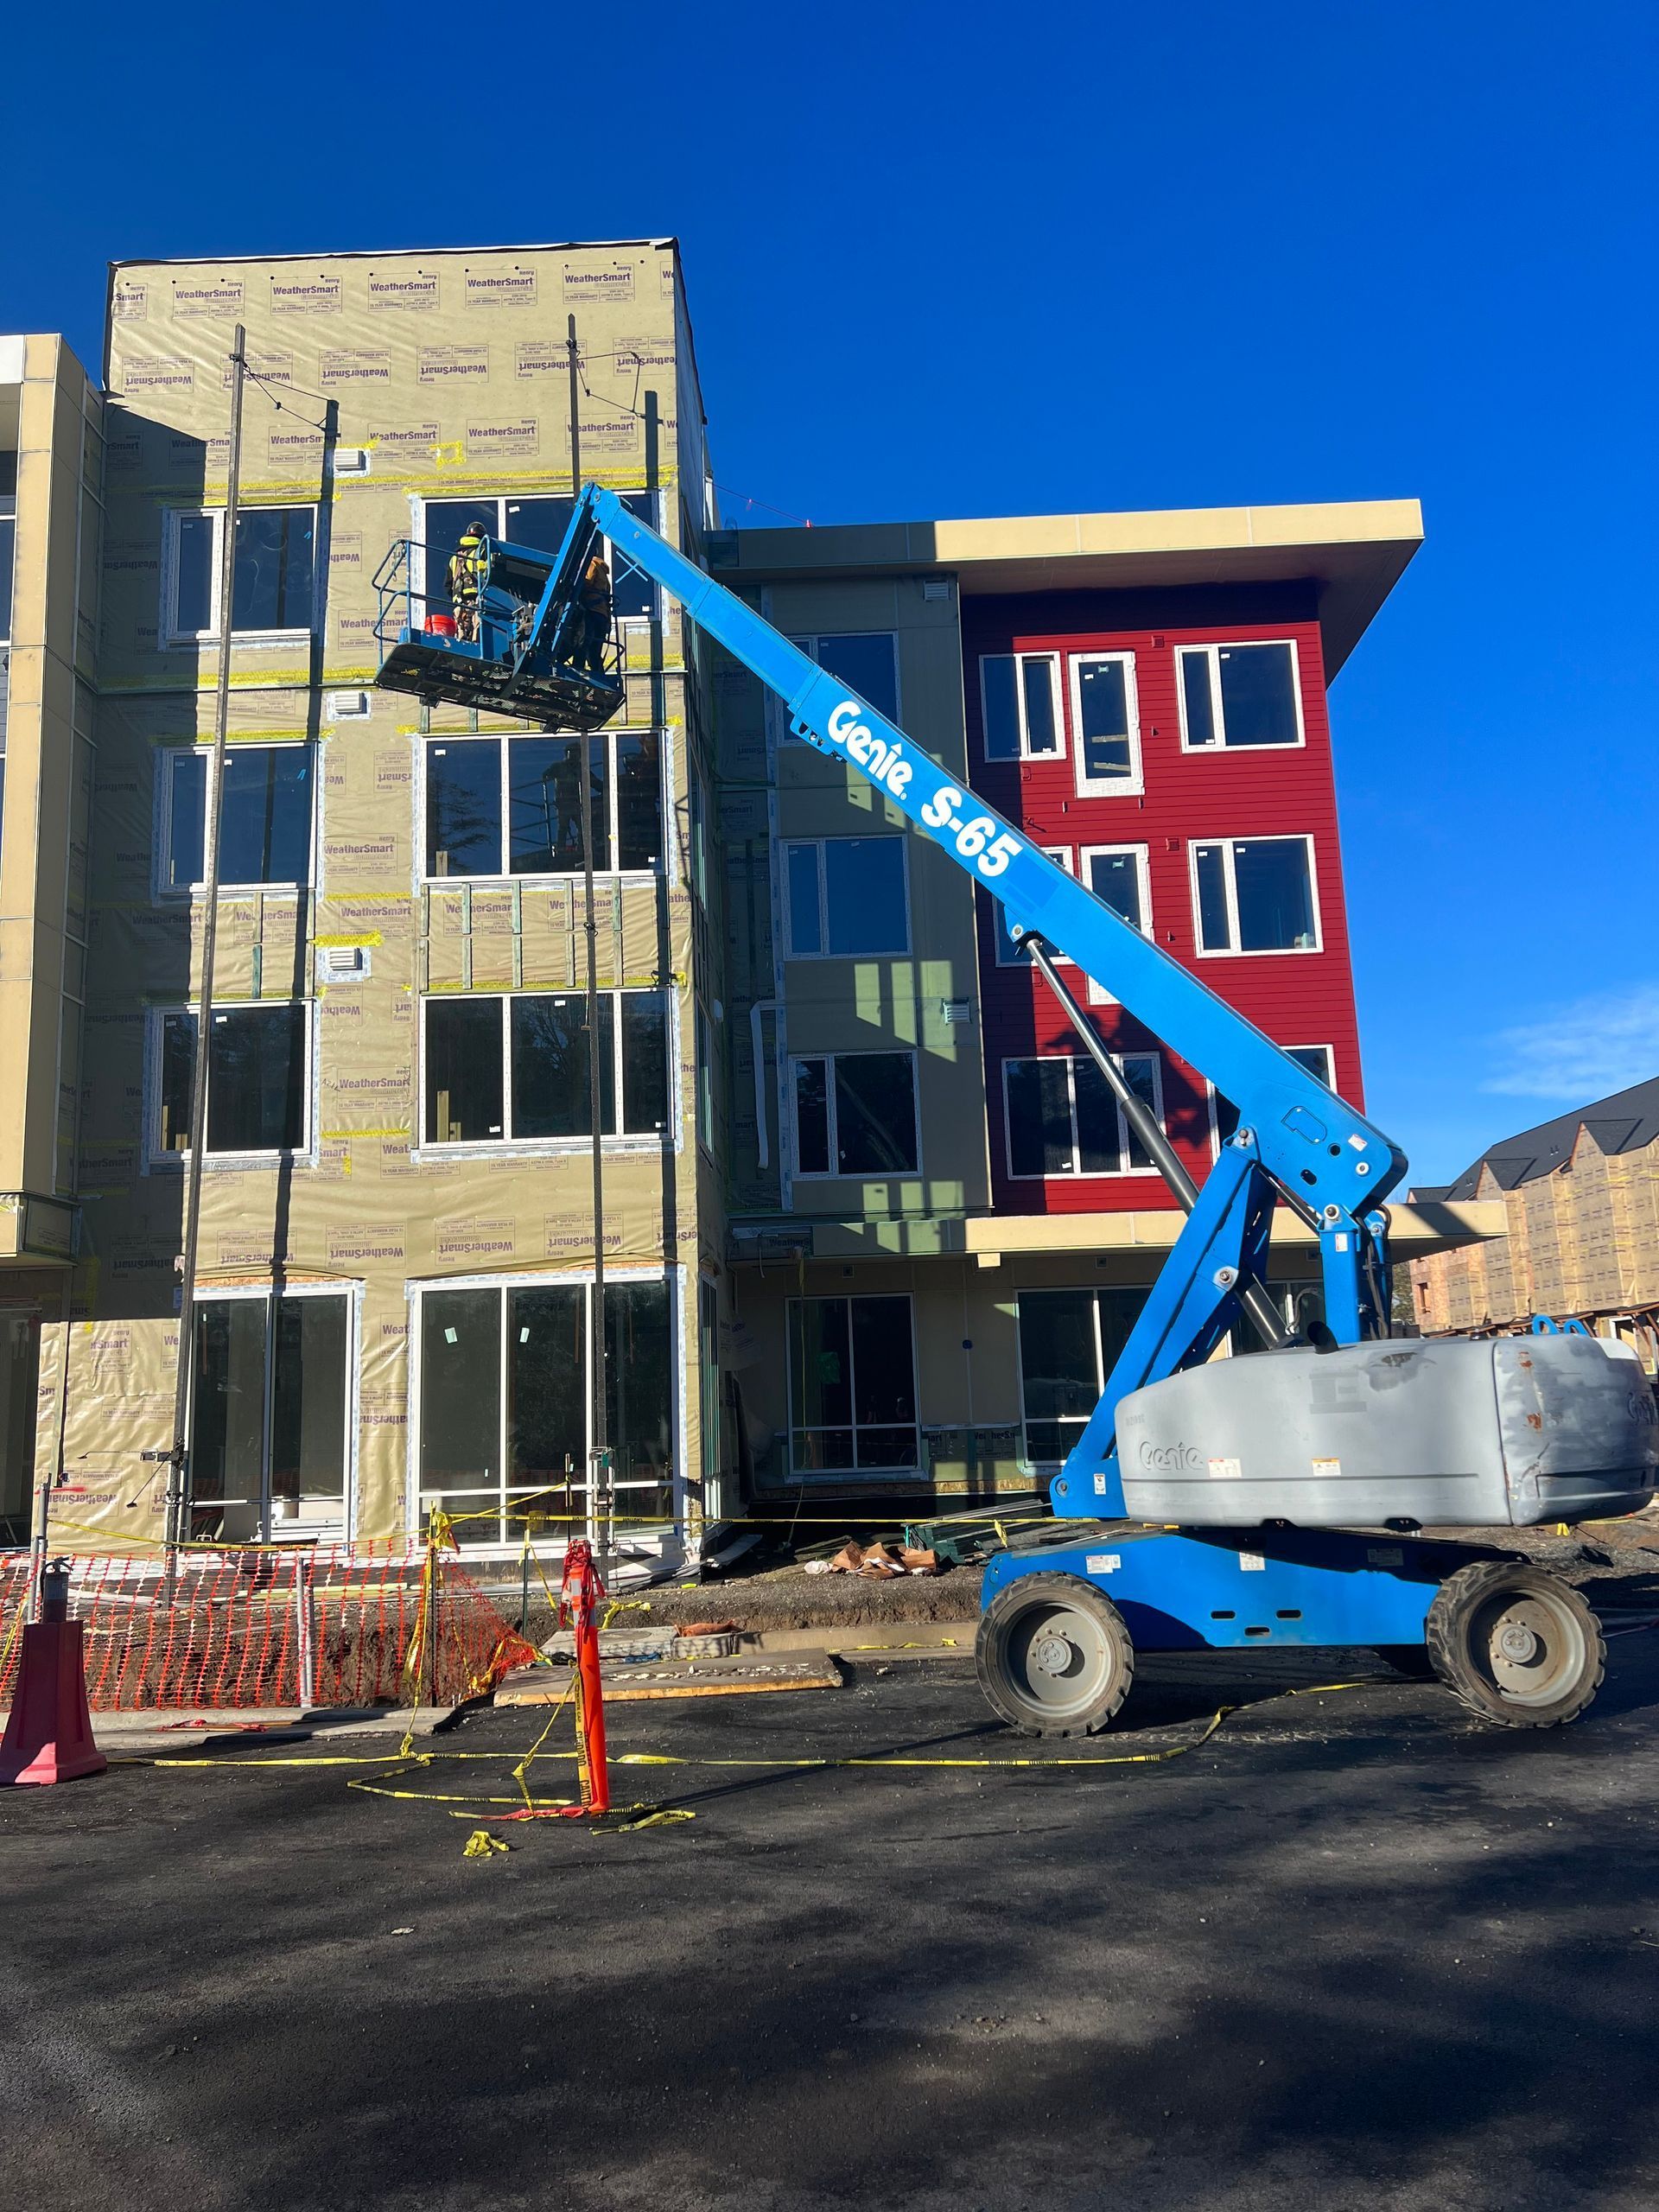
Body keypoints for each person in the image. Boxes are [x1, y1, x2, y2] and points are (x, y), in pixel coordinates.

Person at [447, 517, 490, 642]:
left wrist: (456, 597)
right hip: (477, 600)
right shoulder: (482, 552)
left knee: (462, 638)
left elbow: (447, 585)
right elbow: (489, 575)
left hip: (459, 604)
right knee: (478, 637)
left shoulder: (454, 558)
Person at [576, 549, 612, 674]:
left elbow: (586, 582)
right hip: (602, 614)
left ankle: (577, 673)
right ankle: (599, 678)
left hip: (592, 610)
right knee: (594, 651)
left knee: (582, 644)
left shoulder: (591, 564)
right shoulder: (603, 571)